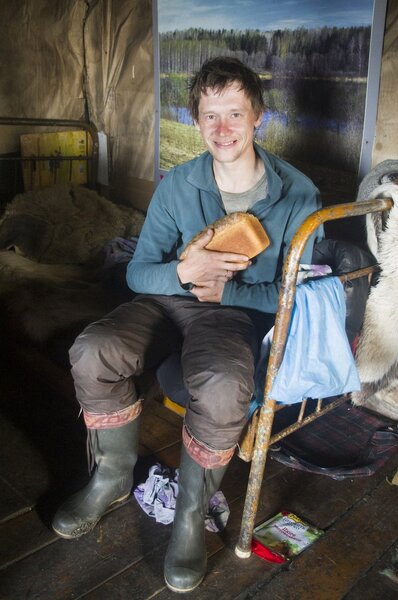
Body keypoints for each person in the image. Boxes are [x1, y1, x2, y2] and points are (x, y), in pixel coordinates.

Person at [52, 57, 323, 593]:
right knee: (95, 348)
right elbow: (137, 270)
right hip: (169, 301)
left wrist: (231, 290)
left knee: (223, 385)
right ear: (196, 122)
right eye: (209, 116)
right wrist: (183, 271)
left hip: (237, 314)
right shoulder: (177, 184)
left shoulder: (299, 196)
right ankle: (109, 477)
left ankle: (188, 516)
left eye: (234, 114)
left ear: (258, 117)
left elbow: (300, 294)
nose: (222, 129)